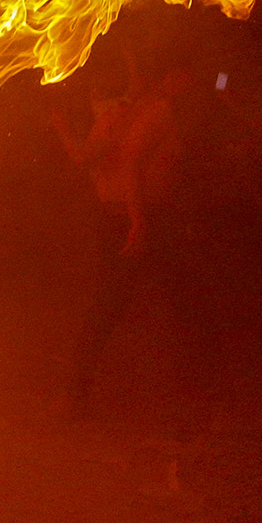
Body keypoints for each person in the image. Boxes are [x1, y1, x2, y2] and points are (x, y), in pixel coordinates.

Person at [55, 64, 216, 416]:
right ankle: (74, 393)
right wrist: (138, 222)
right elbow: (130, 163)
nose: (188, 84)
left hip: (124, 216)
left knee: (182, 298)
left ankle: (200, 389)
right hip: (139, 219)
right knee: (125, 304)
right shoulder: (153, 111)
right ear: (172, 77)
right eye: (184, 76)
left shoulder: (133, 107)